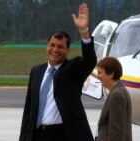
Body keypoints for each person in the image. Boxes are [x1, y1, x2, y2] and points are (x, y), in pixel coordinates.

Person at [19, 3, 97, 141]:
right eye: (52, 45)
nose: (55, 50)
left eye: (60, 47)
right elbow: (28, 111)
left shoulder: (73, 69)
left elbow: (90, 61)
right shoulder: (37, 71)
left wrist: (83, 31)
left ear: (68, 50)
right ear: (47, 46)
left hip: (62, 134)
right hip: (37, 135)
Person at [95, 57, 132, 141]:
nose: (97, 76)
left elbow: (117, 131)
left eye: (100, 72)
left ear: (111, 74)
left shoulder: (117, 95)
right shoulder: (117, 91)